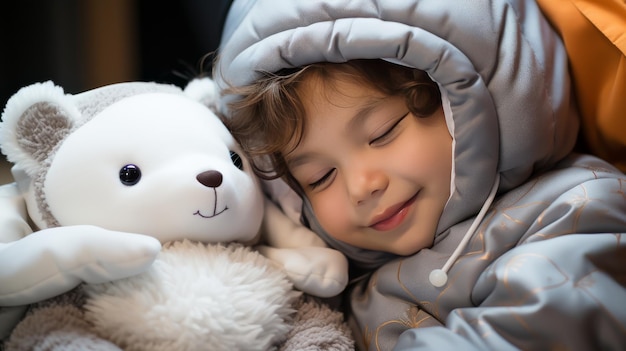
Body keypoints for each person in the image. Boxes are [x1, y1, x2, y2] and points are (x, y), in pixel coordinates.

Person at [213, 0, 626, 350]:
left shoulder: (577, 209)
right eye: (320, 177)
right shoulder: (338, 279)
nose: (362, 186)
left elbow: (540, 325)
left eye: (382, 133)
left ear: (469, 100)